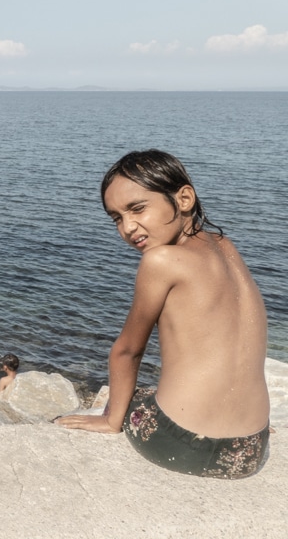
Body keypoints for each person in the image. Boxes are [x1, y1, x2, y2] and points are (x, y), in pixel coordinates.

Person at [56, 150, 270, 479]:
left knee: (137, 397)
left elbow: (128, 351)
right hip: (251, 447)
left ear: (184, 198)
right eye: (116, 218)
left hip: (187, 445)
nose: (128, 227)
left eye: (137, 208)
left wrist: (111, 420)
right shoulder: (225, 244)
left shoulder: (161, 261)